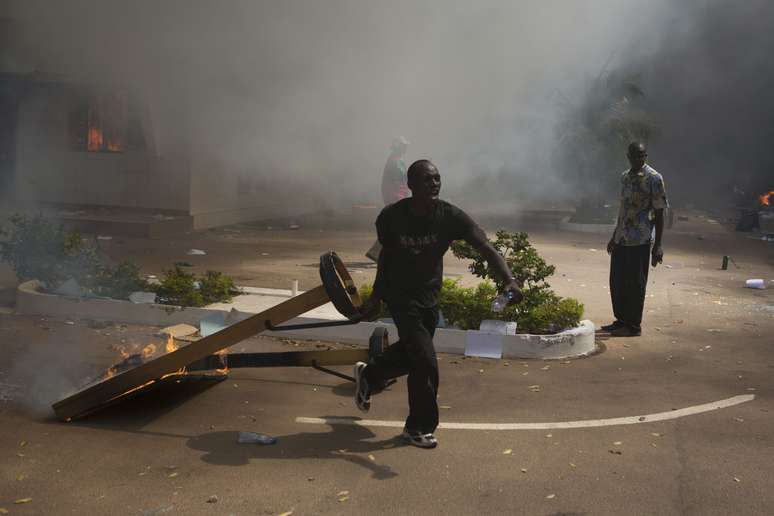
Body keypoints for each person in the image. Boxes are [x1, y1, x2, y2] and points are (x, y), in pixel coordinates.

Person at [355, 159, 523, 448]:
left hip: (429, 296)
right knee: (425, 361)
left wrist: (508, 280)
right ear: (410, 185)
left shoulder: (450, 216)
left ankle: (370, 375)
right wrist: (376, 296)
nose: (434, 184)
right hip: (400, 296)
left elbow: (485, 247)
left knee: (412, 355)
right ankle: (418, 427)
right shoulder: (391, 217)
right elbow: (386, 258)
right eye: (426, 179)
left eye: (437, 179)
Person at [603, 142, 668, 337]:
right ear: (628, 156)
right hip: (622, 238)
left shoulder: (654, 178)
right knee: (617, 281)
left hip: (640, 238)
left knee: (636, 283)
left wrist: (658, 245)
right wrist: (615, 235)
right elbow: (623, 210)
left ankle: (633, 326)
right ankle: (621, 320)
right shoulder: (625, 177)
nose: (638, 159)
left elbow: (659, 212)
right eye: (634, 155)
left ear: (646, 155)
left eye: (641, 155)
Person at [365, 137, 410, 262]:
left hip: (396, 194)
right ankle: (379, 252)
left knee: (396, 224)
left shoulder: (396, 159)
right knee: (397, 224)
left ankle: (377, 252)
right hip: (395, 195)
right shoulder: (395, 161)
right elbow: (404, 176)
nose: (405, 149)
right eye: (403, 146)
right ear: (398, 147)